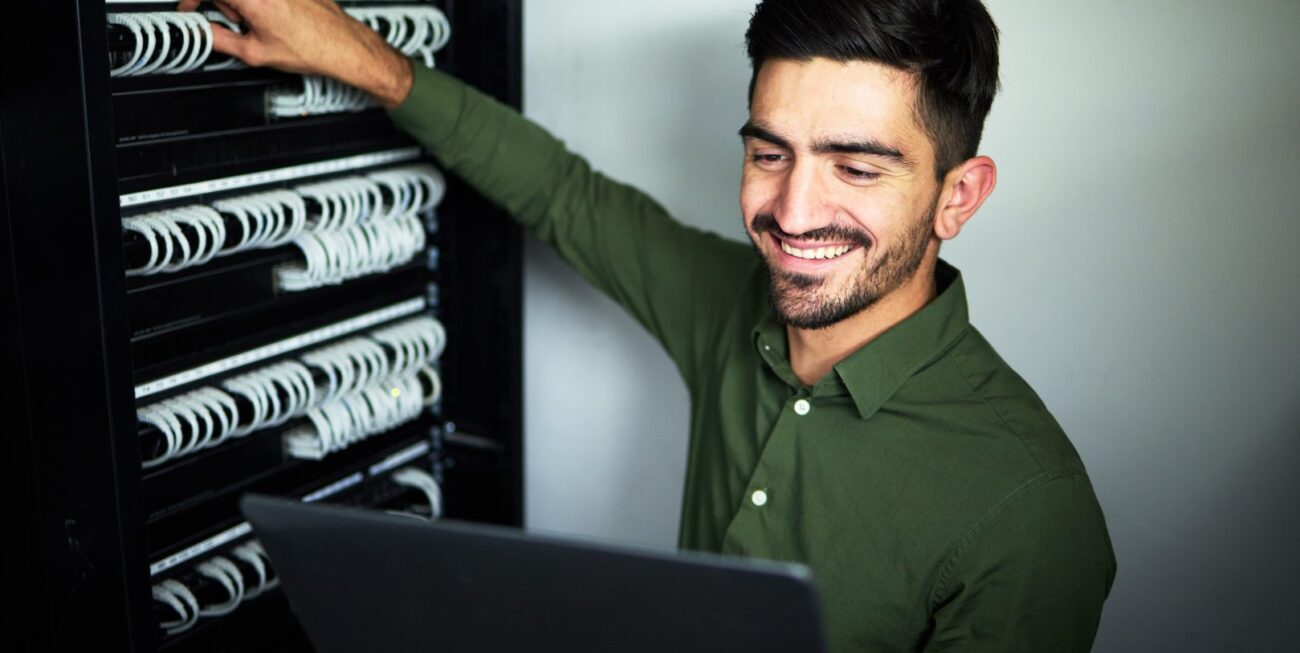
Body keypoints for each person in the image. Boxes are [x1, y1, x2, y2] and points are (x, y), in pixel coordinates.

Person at [178, 0, 1117, 650]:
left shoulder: (1031, 513)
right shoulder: (729, 300)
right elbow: (563, 194)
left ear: (959, 197)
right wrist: (347, 48)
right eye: (768, 152)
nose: (792, 212)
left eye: (857, 168)